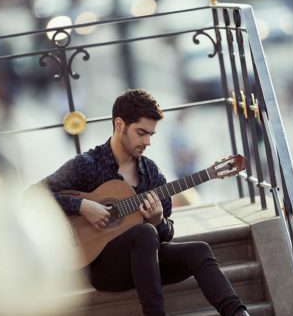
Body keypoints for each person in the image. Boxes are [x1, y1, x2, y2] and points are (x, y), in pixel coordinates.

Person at [36, 89, 249, 316]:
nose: (147, 141)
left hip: (144, 263)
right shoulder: (87, 165)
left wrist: (158, 221)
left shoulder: (150, 173)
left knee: (199, 250)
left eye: (151, 134)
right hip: (104, 268)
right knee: (145, 233)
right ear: (119, 125)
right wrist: (82, 206)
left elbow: (165, 235)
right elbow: (34, 196)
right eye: (141, 133)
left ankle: (238, 313)